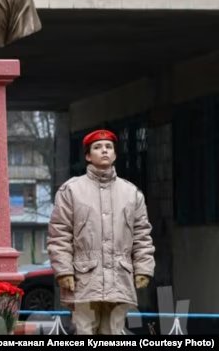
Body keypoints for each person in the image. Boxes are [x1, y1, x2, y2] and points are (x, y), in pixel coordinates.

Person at [47, 129, 155, 335]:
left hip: (119, 277)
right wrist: (64, 270)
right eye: (97, 147)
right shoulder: (71, 190)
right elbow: (59, 234)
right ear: (88, 156)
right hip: (84, 278)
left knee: (114, 331)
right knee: (84, 330)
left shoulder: (131, 193)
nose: (104, 151)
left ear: (115, 154)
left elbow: (142, 235)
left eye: (108, 147)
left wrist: (143, 268)